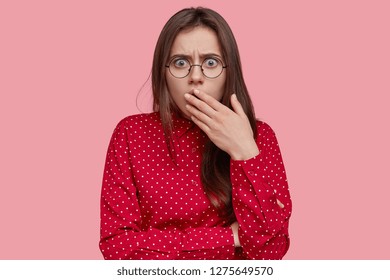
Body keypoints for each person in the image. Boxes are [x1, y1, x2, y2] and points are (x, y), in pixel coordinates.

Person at [99, 7, 292, 260]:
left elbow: (271, 251)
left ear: (229, 70)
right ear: (163, 72)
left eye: (211, 62)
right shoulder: (130, 134)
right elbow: (117, 248)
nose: (196, 76)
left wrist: (244, 151)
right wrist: (231, 237)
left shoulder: (260, 137)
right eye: (181, 63)